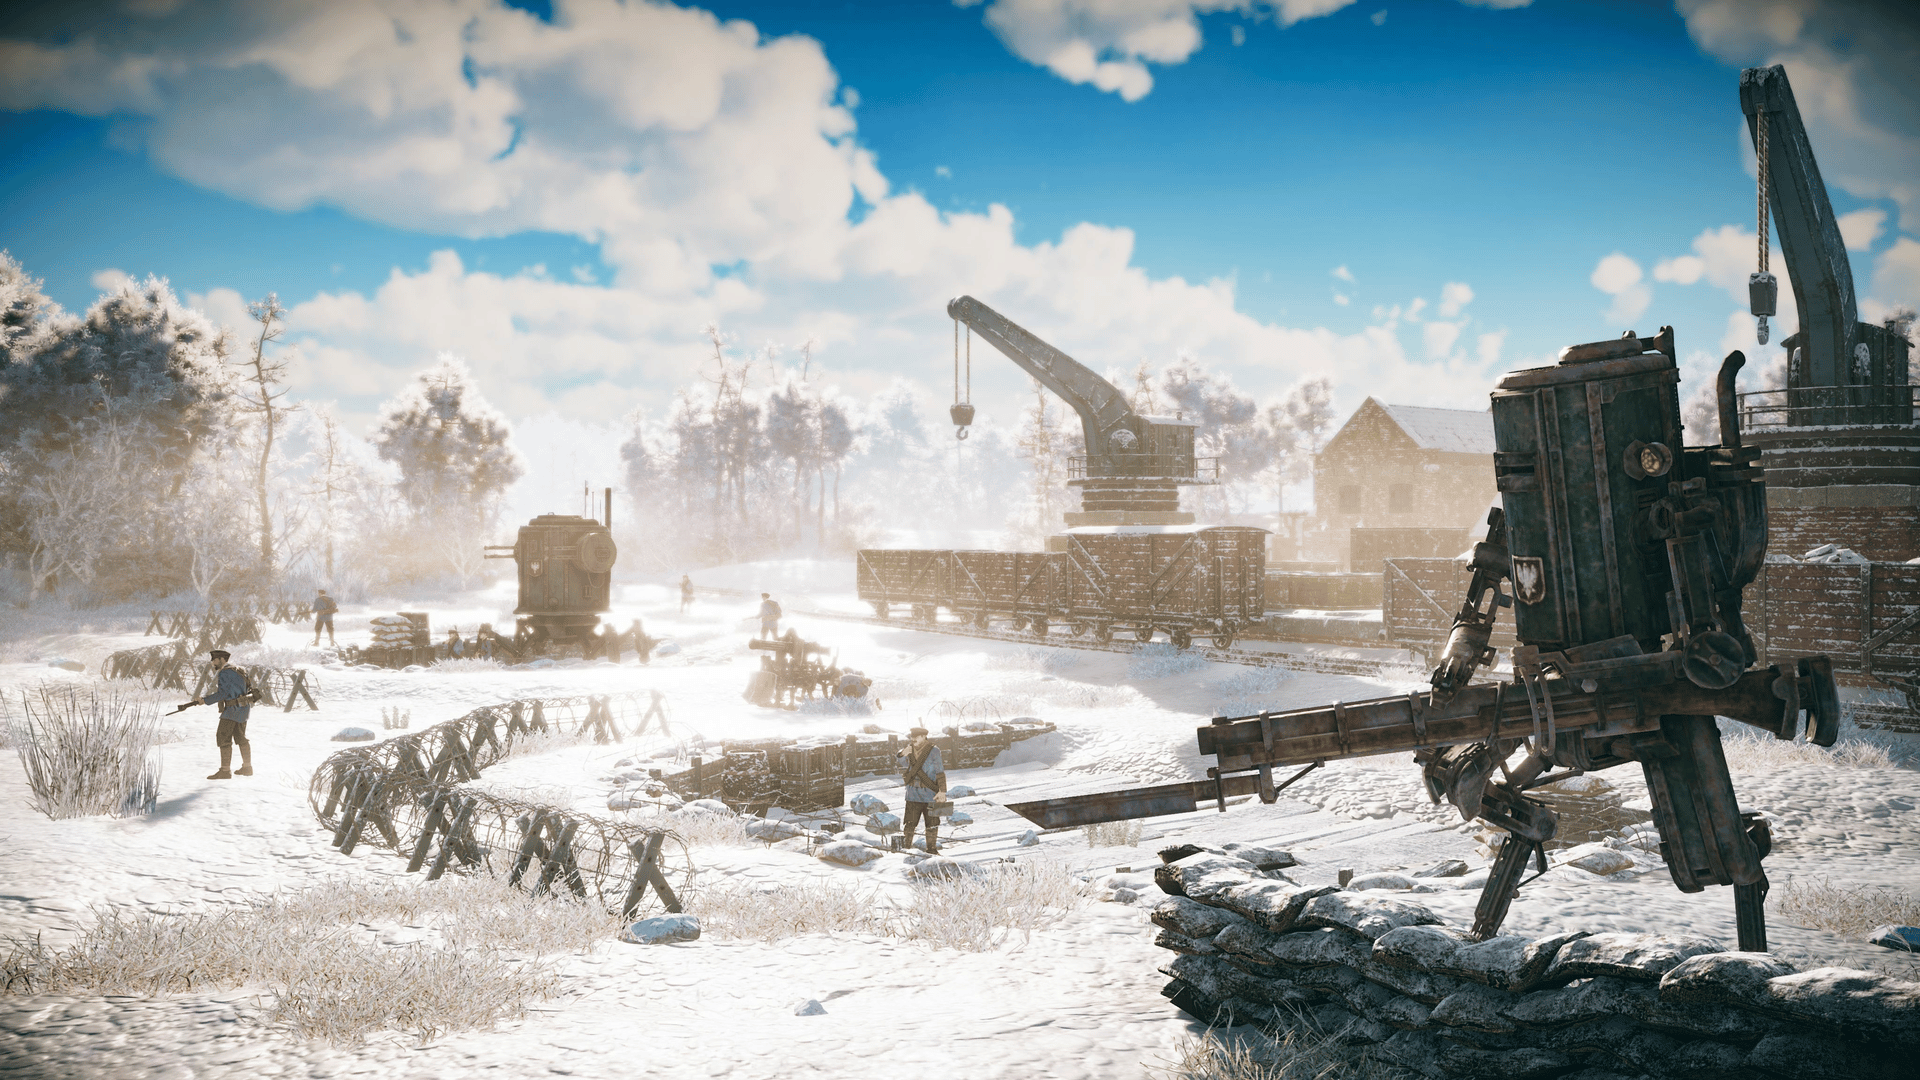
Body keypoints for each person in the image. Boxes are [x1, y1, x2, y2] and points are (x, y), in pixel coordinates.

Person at [193, 649, 254, 780]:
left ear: (221, 659)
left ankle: (225, 771)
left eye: (214, 660)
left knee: (223, 737)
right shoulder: (240, 670)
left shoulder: (225, 672)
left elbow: (223, 694)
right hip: (243, 709)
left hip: (231, 711)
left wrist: (204, 700)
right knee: (241, 737)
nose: (212, 663)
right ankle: (247, 767)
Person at [897, 726, 947, 854]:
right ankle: (905, 849)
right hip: (912, 794)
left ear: (924, 737)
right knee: (909, 824)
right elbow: (901, 763)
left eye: (916, 736)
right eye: (912, 736)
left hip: (931, 793)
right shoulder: (909, 749)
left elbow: (940, 771)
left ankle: (932, 849)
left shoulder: (934, 751)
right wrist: (902, 754)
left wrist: (942, 791)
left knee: (933, 823)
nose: (913, 739)